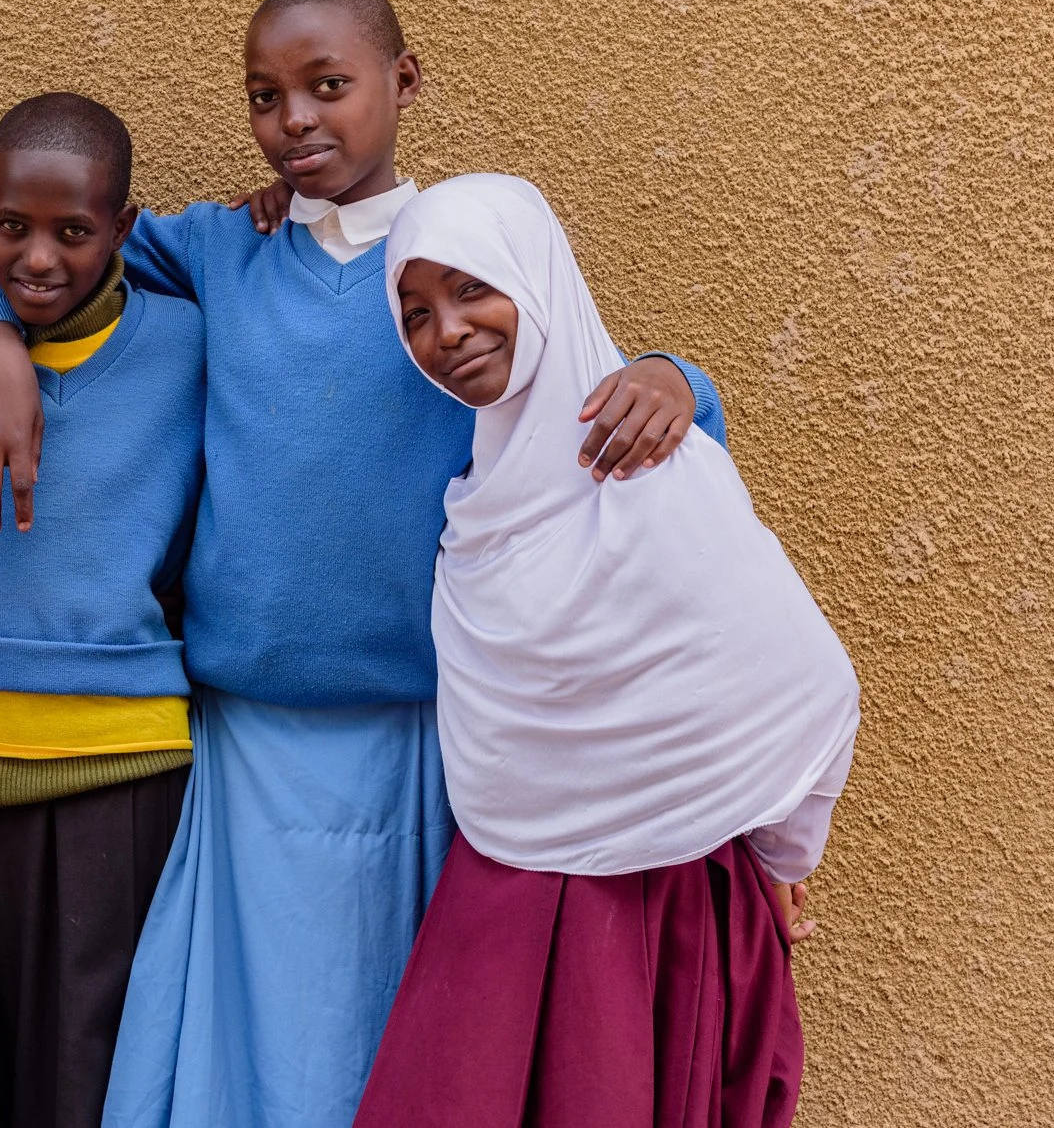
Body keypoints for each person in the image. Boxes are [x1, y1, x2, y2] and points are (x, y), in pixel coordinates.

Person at [0, 0, 728, 1128]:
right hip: (246, 739)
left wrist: (675, 377)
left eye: (327, 86)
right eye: (265, 96)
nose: (294, 119)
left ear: (404, 83)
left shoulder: (459, 260)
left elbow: (589, 373)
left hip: (432, 740)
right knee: (258, 1055)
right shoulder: (215, 248)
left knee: (406, 1046)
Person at [353, 173, 859, 1127]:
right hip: (507, 897)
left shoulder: (651, 465)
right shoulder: (475, 510)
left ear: (538, 283)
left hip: (666, 902)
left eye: (472, 288)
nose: (446, 331)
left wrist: (781, 855)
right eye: (414, 312)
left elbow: (807, 680)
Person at [0, 93, 204, 1128]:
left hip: (126, 771)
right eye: (12, 228)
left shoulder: (184, 346)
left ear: (123, 229)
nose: (37, 257)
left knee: (92, 1073)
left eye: (74, 233)